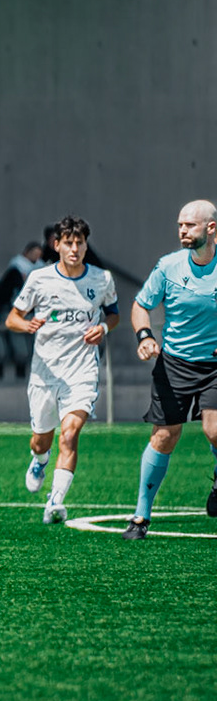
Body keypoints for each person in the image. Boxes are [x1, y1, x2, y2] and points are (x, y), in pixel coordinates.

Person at [5, 216, 117, 526]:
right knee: (41, 440)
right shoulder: (39, 279)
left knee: (69, 435)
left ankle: (55, 502)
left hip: (82, 372)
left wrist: (104, 329)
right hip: (45, 374)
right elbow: (12, 318)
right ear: (57, 245)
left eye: (80, 243)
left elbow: (113, 314)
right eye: (68, 243)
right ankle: (39, 460)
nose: (74, 249)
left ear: (86, 246)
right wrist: (26, 324)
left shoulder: (102, 279)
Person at [125, 200, 217, 540]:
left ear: (211, 228)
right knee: (165, 436)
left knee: (215, 430)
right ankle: (140, 517)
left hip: (215, 366)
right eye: (180, 224)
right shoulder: (168, 266)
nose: (182, 230)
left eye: (190, 225)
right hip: (174, 363)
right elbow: (141, 306)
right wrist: (145, 336)